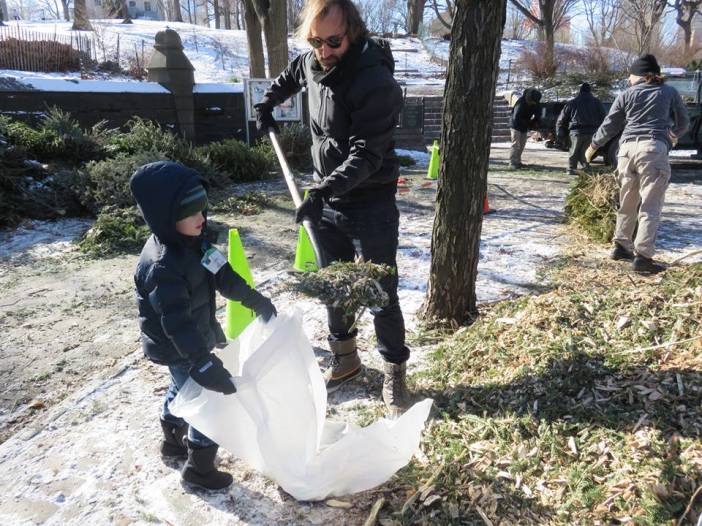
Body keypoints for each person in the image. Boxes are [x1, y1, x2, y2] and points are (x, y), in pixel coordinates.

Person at [253, 0, 410, 415]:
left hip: (371, 196)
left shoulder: (375, 81)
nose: (323, 50)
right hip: (329, 197)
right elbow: (292, 74)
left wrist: (320, 191)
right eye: (315, 40)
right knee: (334, 284)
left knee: (379, 287)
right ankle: (346, 360)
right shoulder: (313, 61)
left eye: (333, 42)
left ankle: (394, 370)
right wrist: (267, 104)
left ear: (353, 33)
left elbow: (367, 155)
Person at [130, 161, 277, 490]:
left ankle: (171, 438)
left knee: (182, 389)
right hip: (179, 344)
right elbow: (175, 322)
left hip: (193, 337)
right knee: (207, 404)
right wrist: (202, 361)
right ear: (167, 218)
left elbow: (223, 275)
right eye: (191, 213)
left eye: (203, 210)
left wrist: (255, 301)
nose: (201, 218)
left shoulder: (196, 242)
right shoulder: (162, 266)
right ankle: (199, 470)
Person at [586, 54, 690, 274]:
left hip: (625, 152)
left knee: (627, 202)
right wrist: (672, 135)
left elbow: (610, 124)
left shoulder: (625, 94)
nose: (628, 80)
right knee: (650, 205)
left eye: (631, 76)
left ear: (642, 75)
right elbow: (684, 121)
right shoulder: (669, 92)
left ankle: (621, 246)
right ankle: (642, 257)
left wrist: (593, 147)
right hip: (652, 149)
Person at [556, 82, 606, 175]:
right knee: (586, 151)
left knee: (574, 151)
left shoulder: (572, 103)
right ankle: (585, 167)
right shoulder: (597, 102)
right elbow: (604, 117)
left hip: (576, 131)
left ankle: (572, 168)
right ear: (590, 91)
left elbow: (561, 119)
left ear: (580, 91)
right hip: (591, 132)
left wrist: (560, 132)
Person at [509, 87, 542, 169]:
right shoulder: (521, 102)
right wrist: (528, 124)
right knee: (515, 144)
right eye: (533, 101)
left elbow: (538, 114)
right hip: (515, 124)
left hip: (525, 125)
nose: (534, 103)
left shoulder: (535, 102)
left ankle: (518, 161)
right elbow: (516, 117)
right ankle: (513, 162)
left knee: (522, 144)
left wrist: (535, 122)